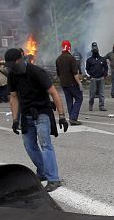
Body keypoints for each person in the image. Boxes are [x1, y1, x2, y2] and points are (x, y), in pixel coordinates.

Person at [6, 47, 68, 192]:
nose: (11, 68)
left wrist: (62, 116)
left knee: (45, 145)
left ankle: (53, 179)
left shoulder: (37, 72)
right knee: (29, 146)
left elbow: (53, 93)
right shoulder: (12, 75)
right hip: (26, 115)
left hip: (42, 113)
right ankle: (42, 172)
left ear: (20, 60)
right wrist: (15, 120)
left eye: (13, 65)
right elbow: (14, 97)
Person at [55, 40, 83, 125]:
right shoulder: (71, 58)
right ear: (69, 48)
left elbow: (58, 73)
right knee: (79, 98)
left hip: (63, 84)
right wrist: (79, 83)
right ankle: (73, 118)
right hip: (72, 83)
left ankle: (72, 118)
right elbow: (75, 72)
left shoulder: (58, 59)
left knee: (69, 101)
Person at [85, 43, 109, 111]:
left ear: (98, 50)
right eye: (94, 49)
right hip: (93, 79)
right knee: (92, 93)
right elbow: (87, 69)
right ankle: (91, 105)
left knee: (102, 93)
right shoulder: (89, 60)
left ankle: (101, 106)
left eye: (96, 49)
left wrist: (104, 75)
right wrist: (90, 76)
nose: (95, 50)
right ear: (92, 50)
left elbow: (106, 67)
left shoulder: (102, 59)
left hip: (101, 78)